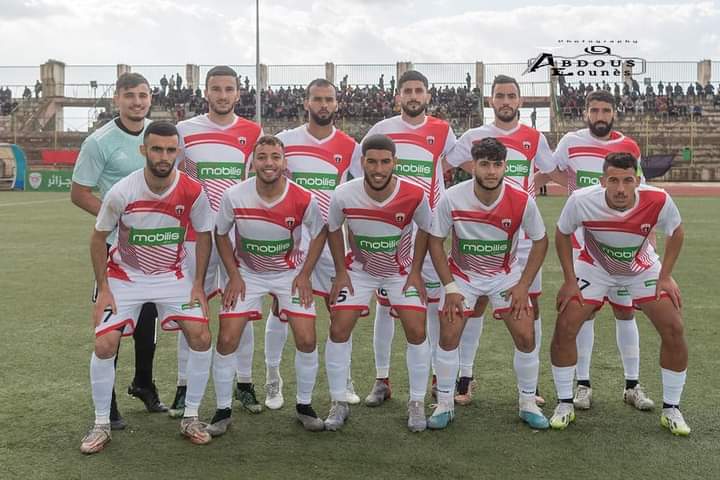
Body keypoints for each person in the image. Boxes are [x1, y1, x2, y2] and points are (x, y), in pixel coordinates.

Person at [79, 121, 215, 454]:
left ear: (178, 152)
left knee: (201, 336)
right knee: (105, 343)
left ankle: (192, 417)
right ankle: (100, 424)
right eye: (156, 149)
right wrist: (104, 289)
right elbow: (98, 239)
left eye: (170, 149)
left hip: (172, 277)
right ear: (144, 150)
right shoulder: (123, 191)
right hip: (126, 277)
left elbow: (205, 235)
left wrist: (197, 284)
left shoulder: (193, 191)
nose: (163, 156)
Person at [549, 152, 689, 436]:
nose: (621, 188)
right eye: (613, 180)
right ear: (603, 181)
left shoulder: (659, 199)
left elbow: (677, 231)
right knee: (565, 325)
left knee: (674, 327)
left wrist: (665, 276)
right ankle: (565, 403)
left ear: (638, 181)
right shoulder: (581, 201)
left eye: (628, 180)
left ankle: (671, 408)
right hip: (594, 266)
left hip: (640, 267)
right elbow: (562, 233)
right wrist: (568, 280)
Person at [537, 89, 654, 411]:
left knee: (625, 311)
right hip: (583, 245)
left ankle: (632, 385)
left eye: (605, 110)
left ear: (614, 112)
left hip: (623, 245)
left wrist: (648, 246)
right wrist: (570, 185)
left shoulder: (628, 146)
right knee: (584, 313)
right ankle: (583, 384)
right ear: (585, 113)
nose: (600, 116)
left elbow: (639, 194)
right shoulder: (570, 142)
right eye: (594, 110)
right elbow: (550, 170)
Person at [445, 74, 555, 407]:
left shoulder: (534, 137)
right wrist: (482, 171)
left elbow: (549, 169)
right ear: (491, 101)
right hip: (482, 232)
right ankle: (464, 374)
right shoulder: (475, 135)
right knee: (473, 305)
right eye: (499, 96)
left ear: (519, 101)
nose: (505, 101)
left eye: (511, 96)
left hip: (521, 235)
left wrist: (528, 184)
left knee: (529, 307)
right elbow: (451, 161)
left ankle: (530, 387)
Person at [427, 137, 549, 431]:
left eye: (497, 165)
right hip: (463, 277)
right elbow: (434, 242)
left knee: (526, 335)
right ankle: (444, 404)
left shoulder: (521, 200)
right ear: (474, 167)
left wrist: (523, 286)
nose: (491, 171)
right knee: (449, 336)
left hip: (504, 277)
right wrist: (450, 287)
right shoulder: (453, 198)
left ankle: (528, 402)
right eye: (485, 165)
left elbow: (541, 242)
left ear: (505, 166)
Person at [209, 135, 328, 434]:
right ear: (252, 162)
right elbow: (220, 234)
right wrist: (233, 275)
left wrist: (304, 275)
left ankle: (304, 405)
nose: (269, 163)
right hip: (247, 274)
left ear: (284, 162)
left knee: (306, 339)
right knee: (226, 340)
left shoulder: (303, 198)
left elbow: (321, 233)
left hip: (289, 274)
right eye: (262, 157)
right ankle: (222, 410)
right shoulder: (234, 196)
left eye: (275, 157)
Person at [71, 72, 166, 431]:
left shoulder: (159, 134)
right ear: (117, 99)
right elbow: (79, 192)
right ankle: (107, 403)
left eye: (142, 95)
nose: (137, 102)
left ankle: (143, 383)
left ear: (150, 99)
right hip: (116, 249)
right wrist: (117, 218)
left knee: (147, 320)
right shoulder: (100, 142)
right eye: (129, 96)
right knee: (111, 324)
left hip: (156, 250)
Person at [263, 78, 362, 409]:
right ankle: (273, 378)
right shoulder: (287, 141)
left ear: (337, 104)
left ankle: (344, 377)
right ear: (306, 103)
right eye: (317, 99)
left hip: (333, 237)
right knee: (280, 308)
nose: (323, 104)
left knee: (341, 309)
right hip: (295, 237)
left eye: (329, 99)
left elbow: (358, 190)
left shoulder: (349, 145)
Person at [324, 134, 432, 432]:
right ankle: (338, 401)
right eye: (372, 161)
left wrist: (415, 271)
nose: (379, 168)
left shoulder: (414, 193)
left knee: (416, 329)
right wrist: (341, 272)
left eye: (385, 161)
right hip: (359, 271)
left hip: (400, 272)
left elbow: (426, 229)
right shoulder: (344, 193)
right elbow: (333, 229)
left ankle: (417, 402)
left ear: (395, 162)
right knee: (338, 328)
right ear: (363, 162)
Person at [361, 70, 456, 406]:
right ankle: (382, 379)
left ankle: (432, 377)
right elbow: (366, 175)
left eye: (419, 91)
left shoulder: (443, 130)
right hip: (392, 230)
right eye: (408, 91)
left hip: (429, 230)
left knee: (432, 302)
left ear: (428, 96)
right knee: (386, 306)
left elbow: (452, 165)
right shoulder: (381, 130)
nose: (414, 96)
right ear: (398, 96)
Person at [174, 66, 264, 418]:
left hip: (235, 238)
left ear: (238, 93)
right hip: (194, 236)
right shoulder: (185, 131)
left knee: (240, 311)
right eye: (216, 88)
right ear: (205, 92)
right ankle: (183, 385)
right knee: (190, 309)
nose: (223, 95)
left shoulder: (252, 132)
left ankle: (244, 382)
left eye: (229, 89)